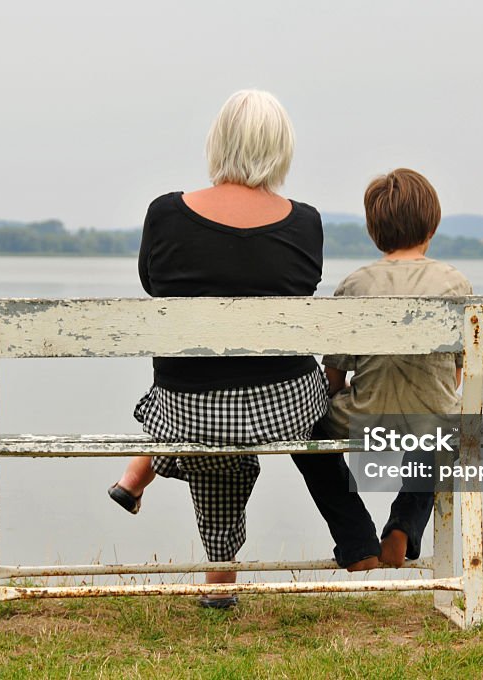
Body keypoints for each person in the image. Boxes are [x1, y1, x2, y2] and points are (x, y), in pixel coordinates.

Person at [107, 90, 330, 608]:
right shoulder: (307, 222)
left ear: (218, 142)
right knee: (243, 411)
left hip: (187, 410)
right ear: (281, 149)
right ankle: (221, 577)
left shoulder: (165, 213)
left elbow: (152, 284)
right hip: (282, 410)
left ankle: (147, 490)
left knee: (200, 410)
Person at [292, 168, 472, 569]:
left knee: (306, 436)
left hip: (362, 417)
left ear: (374, 230)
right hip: (434, 420)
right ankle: (403, 526)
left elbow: (335, 378)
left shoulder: (355, 285)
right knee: (442, 426)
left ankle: (357, 543)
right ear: (433, 225)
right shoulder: (454, 283)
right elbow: (457, 376)